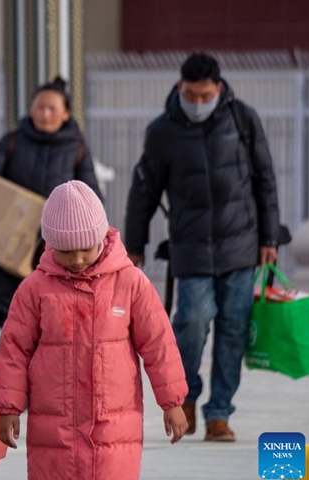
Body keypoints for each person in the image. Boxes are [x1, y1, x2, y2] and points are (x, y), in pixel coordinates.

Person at [124, 53, 280, 442]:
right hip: (190, 247)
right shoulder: (162, 131)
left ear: (219, 89)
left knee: (233, 329)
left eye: (205, 95)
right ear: (180, 87)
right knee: (190, 323)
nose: (197, 102)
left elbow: (265, 180)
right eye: (190, 94)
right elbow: (144, 189)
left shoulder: (243, 119)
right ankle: (186, 397)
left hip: (241, 245)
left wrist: (270, 238)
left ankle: (219, 414)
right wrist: (135, 244)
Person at [0, 180, 188, 480]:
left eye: (85, 249)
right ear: (51, 245)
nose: (78, 259)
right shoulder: (35, 289)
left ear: (101, 236)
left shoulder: (130, 283)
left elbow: (159, 344)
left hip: (113, 427)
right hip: (54, 430)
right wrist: (9, 408)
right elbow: (14, 349)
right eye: (66, 252)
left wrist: (173, 402)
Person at [0, 77, 102, 330]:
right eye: (39, 107)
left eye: (52, 108)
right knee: (10, 311)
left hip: (55, 246)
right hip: (10, 241)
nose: (45, 114)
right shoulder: (13, 141)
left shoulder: (76, 148)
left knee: (52, 311)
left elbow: (92, 197)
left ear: (66, 113)